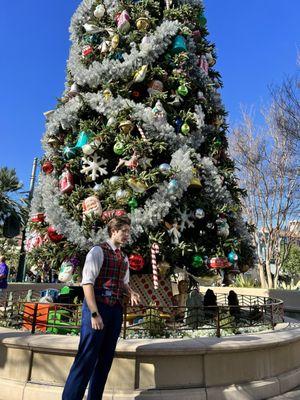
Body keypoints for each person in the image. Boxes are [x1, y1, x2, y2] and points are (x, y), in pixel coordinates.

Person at [62, 215, 140, 400]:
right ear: (114, 231)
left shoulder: (124, 257)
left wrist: (131, 292)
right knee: (86, 358)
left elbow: (123, 282)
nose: (128, 235)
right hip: (98, 309)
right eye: (124, 231)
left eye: (129, 231)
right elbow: (87, 283)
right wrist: (94, 313)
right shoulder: (97, 251)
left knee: (104, 361)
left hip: (115, 311)